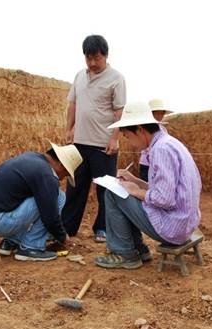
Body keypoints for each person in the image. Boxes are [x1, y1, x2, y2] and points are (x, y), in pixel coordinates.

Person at [94, 102, 202, 269]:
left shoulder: (160, 150)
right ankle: (139, 249)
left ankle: (125, 253)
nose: (130, 142)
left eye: (128, 136)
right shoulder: (169, 143)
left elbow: (164, 199)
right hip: (184, 222)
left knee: (112, 194)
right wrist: (134, 181)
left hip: (173, 227)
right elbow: (165, 189)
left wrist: (135, 191)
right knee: (124, 191)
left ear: (140, 129)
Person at [63, 35, 126, 243]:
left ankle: (102, 228)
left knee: (105, 190)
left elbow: (119, 111)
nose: (92, 63)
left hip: (103, 145)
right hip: (79, 143)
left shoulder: (116, 78)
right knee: (74, 188)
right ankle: (68, 228)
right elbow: (72, 104)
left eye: (96, 58)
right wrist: (69, 128)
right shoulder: (80, 76)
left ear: (106, 56)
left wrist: (114, 139)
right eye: (88, 58)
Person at [0, 143, 83, 261]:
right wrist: (62, 237)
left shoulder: (32, 158)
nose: (62, 179)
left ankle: (11, 241)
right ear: (61, 165)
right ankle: (31, 247)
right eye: (66, 174)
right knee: (59, 197)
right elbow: (50, 217)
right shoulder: (46, 174)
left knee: (38, 195)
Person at [138, 99, 173, 181]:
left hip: (158, 163)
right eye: (157, 112)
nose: (160, 115)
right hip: (147, 164)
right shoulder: (143, 128)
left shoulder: (163, 129)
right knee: (146, 185)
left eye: (162, 113)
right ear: (150, 113)